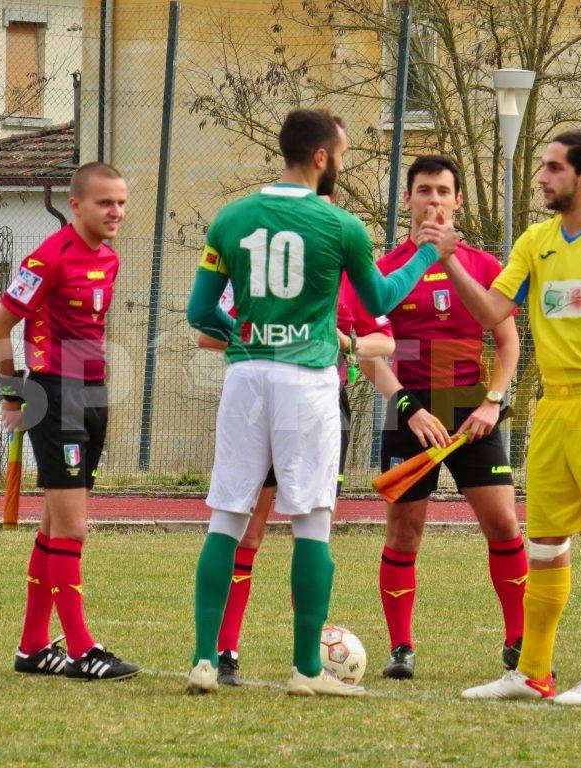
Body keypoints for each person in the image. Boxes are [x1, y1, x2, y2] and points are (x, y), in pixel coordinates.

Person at [184, 109, 448, 695]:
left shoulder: (230, 218)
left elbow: (200, 314)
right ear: (323, 158)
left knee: (227, 515)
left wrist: (248, 333)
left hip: (247, 377)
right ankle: (307, 671)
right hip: (307, 381)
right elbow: (380, 294)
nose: (344, 165)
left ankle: (205, 659)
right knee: (312, 523)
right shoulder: (341, 226)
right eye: (344, 155)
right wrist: (428, 256)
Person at [426, 126, 581, 704]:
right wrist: (450, 260)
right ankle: (532, 673)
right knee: (545, 540)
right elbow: (493, 310)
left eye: (555, 168)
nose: (542, 177)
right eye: (543, 166)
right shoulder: (535, 241)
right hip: (555, 407)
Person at [356, 155, 526, 680]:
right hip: (411, 407)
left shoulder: (480, 265)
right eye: (423, 190)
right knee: (404, 532)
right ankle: (401, 648)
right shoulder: (384, 270)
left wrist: (492, 401)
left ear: (456, 201)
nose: (433, 199)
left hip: (468, 402)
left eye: (443, 191)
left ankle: (520, 639)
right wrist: (407, 407)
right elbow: (368, 354)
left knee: (503, 524)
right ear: (406, 200)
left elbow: (507, 341)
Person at [199, 265, 394, 687]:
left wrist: (346, 341)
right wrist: (268, 341)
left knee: (311, 531)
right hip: (266, 398)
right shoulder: (258, 260)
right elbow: (207, 331)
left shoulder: (343, 264)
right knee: (250, 532)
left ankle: (307, 653)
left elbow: (384, 341)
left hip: (321, 406)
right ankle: (225, 651)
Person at [0, 161, 140, 681]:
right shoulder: (47, 258)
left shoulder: (110, 259)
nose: (115, 211)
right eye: (104, 203)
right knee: (74, 527)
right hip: (53, 396)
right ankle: (81, 649)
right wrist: (14, 393)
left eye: (120, 201)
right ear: (75, 206)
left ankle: (32, 647)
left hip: (93, 394)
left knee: (55, 524)